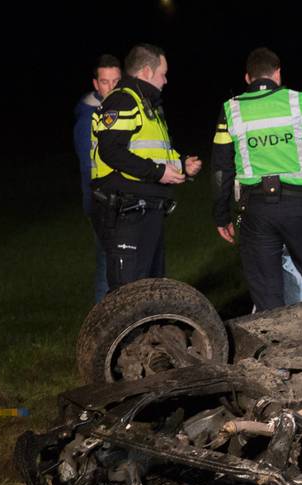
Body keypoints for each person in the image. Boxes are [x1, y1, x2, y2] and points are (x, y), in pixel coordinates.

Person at [212, 47, 302, 311]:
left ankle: (277, 349)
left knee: (267, 296)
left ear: (248, 78)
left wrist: (221, 215)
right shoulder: (298, 101)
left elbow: (220, 169)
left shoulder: (231, 110)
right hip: (300, 209)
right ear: (278, 74)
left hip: (256, 211)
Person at [90, 44, 201, 293]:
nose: (166, 79)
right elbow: (111, 152)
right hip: (127, 212)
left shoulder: (147, 104)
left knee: (150, 291)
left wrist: (182, 165)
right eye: (163, 73)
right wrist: (159, 172)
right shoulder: (123, 100)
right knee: (129, 294)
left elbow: (151, 152)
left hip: (147, 210)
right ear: (147, 72)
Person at [73, 54, 121, 303]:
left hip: (119, 199)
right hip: (100, 202)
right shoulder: (87, 120)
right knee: (107, 264)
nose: (111, 87)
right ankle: (102, 326)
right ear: (96, 84)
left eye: (116, 80)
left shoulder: (120, 110)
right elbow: (88, 168)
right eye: (105, 81)